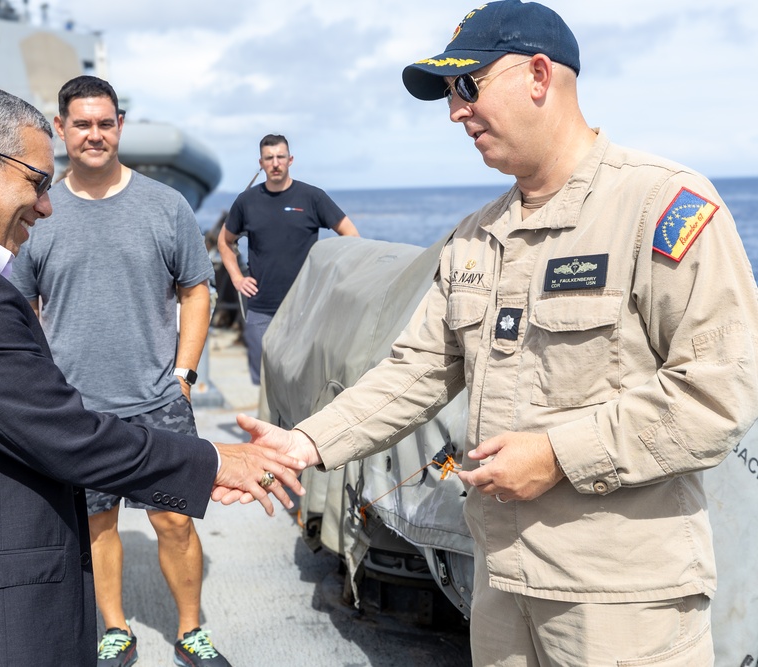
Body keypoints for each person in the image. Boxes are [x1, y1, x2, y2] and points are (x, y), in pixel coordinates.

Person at [233, 1, 758, 664]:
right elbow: (414, 372)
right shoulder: (476, 238)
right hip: (500, 582)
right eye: (450, 94)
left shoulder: (661, 208)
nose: (455, 111)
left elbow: (719, 392)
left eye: (467, 86)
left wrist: (560, 455)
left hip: (622, 601)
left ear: (539, 75)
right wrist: (305, 442)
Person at [0, 82, 302, 666]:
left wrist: (182, 378)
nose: (45, 205)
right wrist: (215, 460)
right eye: (36, 182)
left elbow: (193, 290)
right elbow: (63, 435)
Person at [11, 75, 230, 667]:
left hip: (157, 401)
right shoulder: (39, 212)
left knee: (175, 522)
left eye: (105, 123)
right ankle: (114, 628)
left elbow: (196, 289)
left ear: (120, 127)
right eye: (81, 124)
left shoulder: (165, 206)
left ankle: (190, 629)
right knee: (98, 525)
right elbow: (20, 303)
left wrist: (183, 374)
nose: (94, 134)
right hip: (77, 407)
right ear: (60, 130)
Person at [217, 135, 359, 384]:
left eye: (280, 157)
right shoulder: (246, 201)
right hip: (261, 308)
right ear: (260, 163)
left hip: (305, 306)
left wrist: (331, 278)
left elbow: (351, 235)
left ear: (290, 160)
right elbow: (225, 241)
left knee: (302, 382)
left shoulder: (312, 197)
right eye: (269, 158)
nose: (275, 163)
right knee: (263, 383)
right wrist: (237, 278)